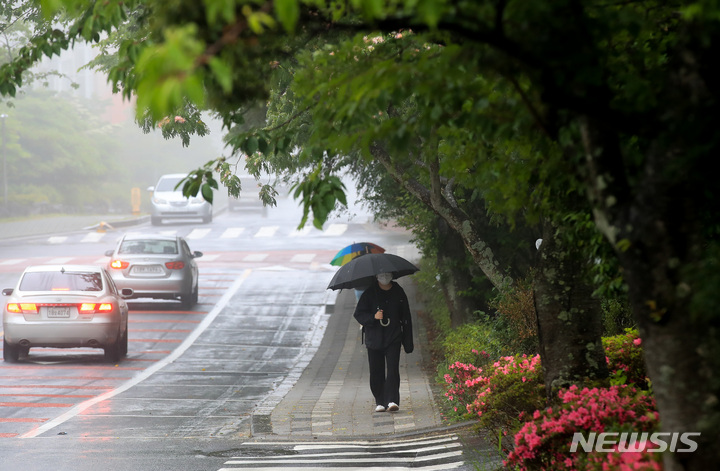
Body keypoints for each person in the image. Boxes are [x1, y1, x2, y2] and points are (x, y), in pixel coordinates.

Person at [353, 272, 414, 412]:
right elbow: (359, 314)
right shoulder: (369, 293)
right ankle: (380, 400)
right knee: (376, 370)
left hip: (393, 336)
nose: (385, 277)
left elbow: (406, 316)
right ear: (376, 276)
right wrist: (373, 317)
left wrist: (408, 341)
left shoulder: (398, 292)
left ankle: (392, 400)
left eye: (387, 274)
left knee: (393, 369)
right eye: (382, 275)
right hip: (374, 338)